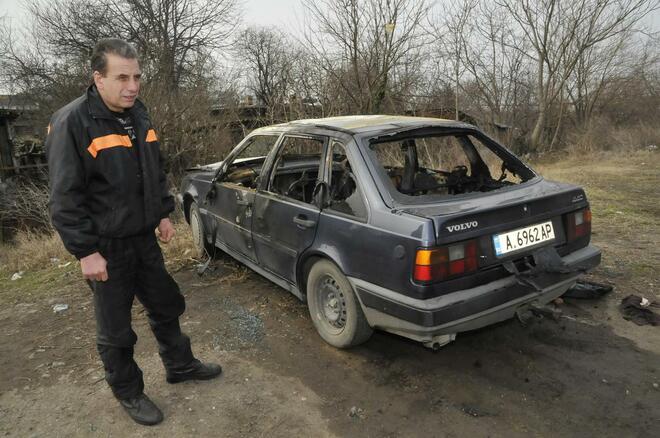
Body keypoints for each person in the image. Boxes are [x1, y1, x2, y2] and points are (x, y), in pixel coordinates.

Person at [45, 38, 221, 426]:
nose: (132, 85)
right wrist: (85, 251)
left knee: (165, 302)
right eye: (122, 77)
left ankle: (180, 364)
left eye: (137, 76)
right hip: (105, 246)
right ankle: (129, 391)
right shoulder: (72, 122)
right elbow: (64, 197)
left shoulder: (138, 113)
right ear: (98, 78)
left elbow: (152, 169)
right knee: (116, 329)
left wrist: (161, 213)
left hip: (142, 237)